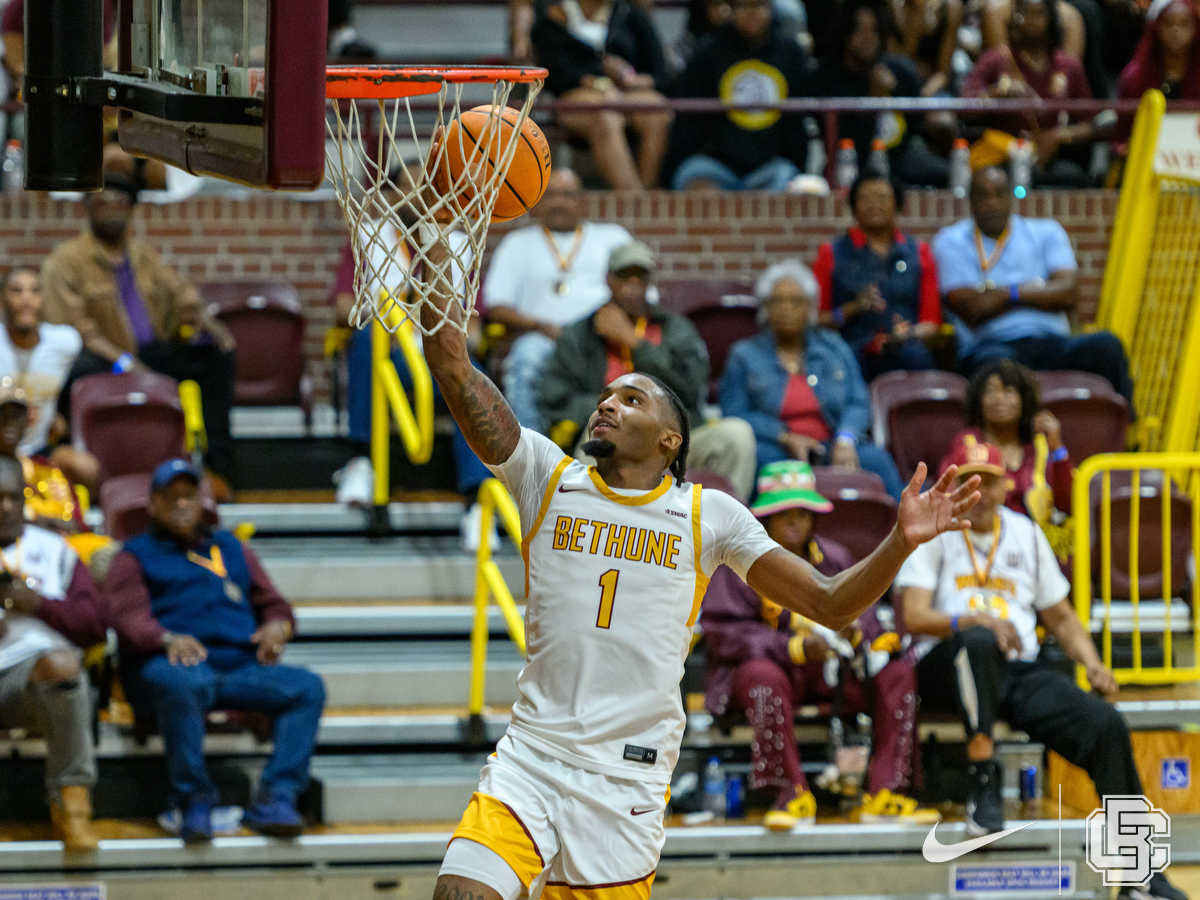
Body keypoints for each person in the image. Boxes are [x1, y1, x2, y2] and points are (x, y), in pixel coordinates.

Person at [412, 206, 979, 900]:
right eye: (607, 395)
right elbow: (448, 359)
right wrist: (441, 244)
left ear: (671, 441)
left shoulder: (709, 516)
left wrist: (899, 540)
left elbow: (831, 605)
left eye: (632, 398)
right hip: (533, 757)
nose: (608, 404)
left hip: (627, 777)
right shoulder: (547, 477)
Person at [895, 440, 1191, 900]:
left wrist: (1093, 665)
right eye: (968, 480)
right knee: (977, 642)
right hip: (946, 666)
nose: (980, 491)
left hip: (1015, 668)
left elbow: (1060, 615)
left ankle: (1139, 874)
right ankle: (982, 784)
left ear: (1004, 484)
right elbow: (911, 615)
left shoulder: (1025, 533)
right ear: (950, 486)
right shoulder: (934, 529)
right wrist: (975, 620)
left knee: (1105, 725)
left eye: (988, 480)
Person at [701, 460, 935, 829]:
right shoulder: (734, 560)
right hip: (775, 673)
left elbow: (868, 616)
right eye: (783, 513)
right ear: (764, 518)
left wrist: (860, 636)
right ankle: (789, 794)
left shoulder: (837, 557)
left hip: (831, 672)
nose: (794, 520)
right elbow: (725, 635)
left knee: (899, 672)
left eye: (802, 512)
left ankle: (888, 792)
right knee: (761, 675)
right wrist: (793, 648)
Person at [103, 459, 326, 842]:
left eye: (188, 495)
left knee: (307, 688)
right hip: (168, 665)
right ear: (152, 505)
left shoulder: (230, 546)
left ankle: (277, 796)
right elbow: (126, 619)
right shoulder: (133, 555)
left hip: (238, 665)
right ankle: (193, 798)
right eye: (169, 497)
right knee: (185, 683)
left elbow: (273, 603)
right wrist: (166, 638)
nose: (181, 504)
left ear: (201, 501)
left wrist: (278, 625)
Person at [40, 174, 237, 493]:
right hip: (103, 359)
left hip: (150, 355)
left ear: (132, 210)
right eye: (103, 201)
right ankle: (85, 468)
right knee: (80, 368)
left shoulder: (144, 258)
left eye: (121, 202)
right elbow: (75, 332)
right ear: (87, 208)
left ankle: (215, 468)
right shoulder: (65, 263)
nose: (112, 209)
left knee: (216, 355)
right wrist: (124, 363)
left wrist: (204, 320)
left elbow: (180, 293)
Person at [539, 241, 759, 500]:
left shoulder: (675, 329)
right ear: (609, 280)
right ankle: (604, 536)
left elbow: (690, 390)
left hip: (672, 441)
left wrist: (634, 342)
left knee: (737, 435)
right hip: (612, 438)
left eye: (640, 277)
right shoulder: (579, 335)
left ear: (649, 282)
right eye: (624, 277)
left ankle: (720, 531)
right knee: (590, 448)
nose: (633, 285)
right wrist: (619, 411)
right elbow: (555, 398)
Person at [932, 166, 1133, 408]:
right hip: (994, 345)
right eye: (983, 195)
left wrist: (1005, 293)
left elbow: (1068, 294)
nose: (992, 203)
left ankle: (1127, 436)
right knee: (998, 366)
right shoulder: (951, 241)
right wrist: (1039, 289)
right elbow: (973, 308)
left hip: (1053, 341)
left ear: (1011, 197)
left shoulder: (1046, 232)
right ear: (971, 201)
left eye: (999, 194)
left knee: (1106, 346)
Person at [719, 261, 907, 500]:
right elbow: (735, 414)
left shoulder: (834, 347)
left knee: (876, 459)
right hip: (776, 448)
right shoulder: (744, 355)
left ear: (809, 307)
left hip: (832, 442)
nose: (786, 309)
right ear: (765, 308)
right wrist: (784, 437)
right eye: (777, 301)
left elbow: (858, 402)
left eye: (796, 301)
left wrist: (846, 439)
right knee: (767, 465)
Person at [0, 455, 108, 851]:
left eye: (13, 497)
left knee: (61, 664)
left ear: (25, 498)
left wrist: (40, 605)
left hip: (29, 683)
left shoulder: (55, 550)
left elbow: (95, 626)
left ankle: (72, 805)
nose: (5, 507)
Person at [482, 168, 633, 432]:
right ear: (538, 201)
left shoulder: (612, 238)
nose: (559, 202)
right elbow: (496, 306)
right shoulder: (517, 244)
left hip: (600, 340)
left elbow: (640, 295)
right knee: (526, 358)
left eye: (568, 195)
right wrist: (540, 326)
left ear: (582, 200)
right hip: (543, 338)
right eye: (551, 195)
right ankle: (531, 459)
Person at [663, 0, 814, 191]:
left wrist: (799, 167)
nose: (752, 13)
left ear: (771, 9)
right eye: (743, 6)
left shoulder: (791, 53)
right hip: (716, 165)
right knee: (693, 179)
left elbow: (798, 122)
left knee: (790, 182)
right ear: (732, 10)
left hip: (773, 167)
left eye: (759, 6)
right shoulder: (708, 52)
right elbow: (688, 123)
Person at [530, 0, 672, 189]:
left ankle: (647, 194)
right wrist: (596, 82)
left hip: (627, 92)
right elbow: (553, 74)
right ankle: (633, 200)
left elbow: (660, 74)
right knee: (605, 115)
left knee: (658, 111)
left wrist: (632, 80)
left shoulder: (630, 14)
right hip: (575, 95)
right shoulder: (553, 17)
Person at [812, 174, 942, 380]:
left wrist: (909, 334)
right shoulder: (831, 253)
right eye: (865, 198)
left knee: (916, 357)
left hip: (905, 347)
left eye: (882, 197)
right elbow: (815, 319)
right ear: (853, 207)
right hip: (850, 349)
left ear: (898, 205)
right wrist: (851, 309)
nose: (874, 204)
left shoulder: (919, 252)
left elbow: (931, 323)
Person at [961, 0, 1097, 187]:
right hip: (1003, 156)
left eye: (1038, 14)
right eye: (1025, 13)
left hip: (1046, 158)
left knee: (1076, 179)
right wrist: (999, 93)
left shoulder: (1068, 66)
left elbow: (1090, 124)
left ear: (1050, 19)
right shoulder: (997, 60)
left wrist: (1059, 136)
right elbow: (965, 107)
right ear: (1015, 18)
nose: (1030, 20)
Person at [817, 0, 951, 188]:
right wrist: (874, 99)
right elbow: (848, 146)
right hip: (854, 165)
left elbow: (916, 128)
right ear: (844, 33)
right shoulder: (828, 79)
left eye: (873, 31)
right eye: (859, 31)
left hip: (901, 156)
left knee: (948, 175)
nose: (868, 38)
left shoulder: (900, 71)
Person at [0, 266, 100, 496]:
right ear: (2, 299)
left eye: (34, 291)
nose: (26, 299)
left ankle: (82, 523)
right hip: (2, 447)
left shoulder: (64, 343)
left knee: (86, 468)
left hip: (40, 447)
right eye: (17, 291)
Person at [944, 361, 1073, 516]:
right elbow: (947, 498)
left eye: (1009, 390)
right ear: (979, 400)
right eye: (990, 391)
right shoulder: (965, 444)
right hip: (979, 535)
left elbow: (1069, 505)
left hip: (1034, 537)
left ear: (1024, 400)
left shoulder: (1040, 447)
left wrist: (1057, 448)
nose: (999, 397)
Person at [1117, 0, 1200, 146]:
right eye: (1169, 24)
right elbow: (1121, 133)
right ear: (1157, 28)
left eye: (1184, 24)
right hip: (1145, 152)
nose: (1176, 31)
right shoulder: (1134, 76)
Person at [891, 0, 964, 97]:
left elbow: (943, 73)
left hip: (935, 86)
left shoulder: (951, 8)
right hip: (903, 81)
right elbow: (903, 62)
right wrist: (917, 17)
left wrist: (922, 96)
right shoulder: (896, 6)